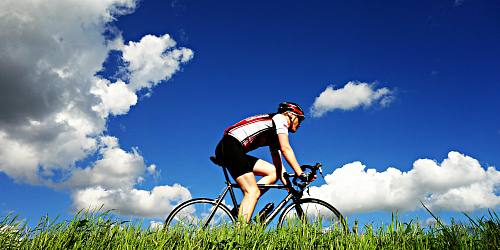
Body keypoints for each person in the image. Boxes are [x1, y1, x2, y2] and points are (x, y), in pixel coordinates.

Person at [215, 102, 314, 222]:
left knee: (273, 172)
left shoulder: (274, 132)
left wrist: (288, 184)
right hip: (230, 145)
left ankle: (243, 206)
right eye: (300, 120)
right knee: (252, 192)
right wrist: (301, 174)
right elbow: (286, 148)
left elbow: (278, 165)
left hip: (232, 148)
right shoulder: (281, 118)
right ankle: (240, 235)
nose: (300, 125)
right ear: (291, 115)